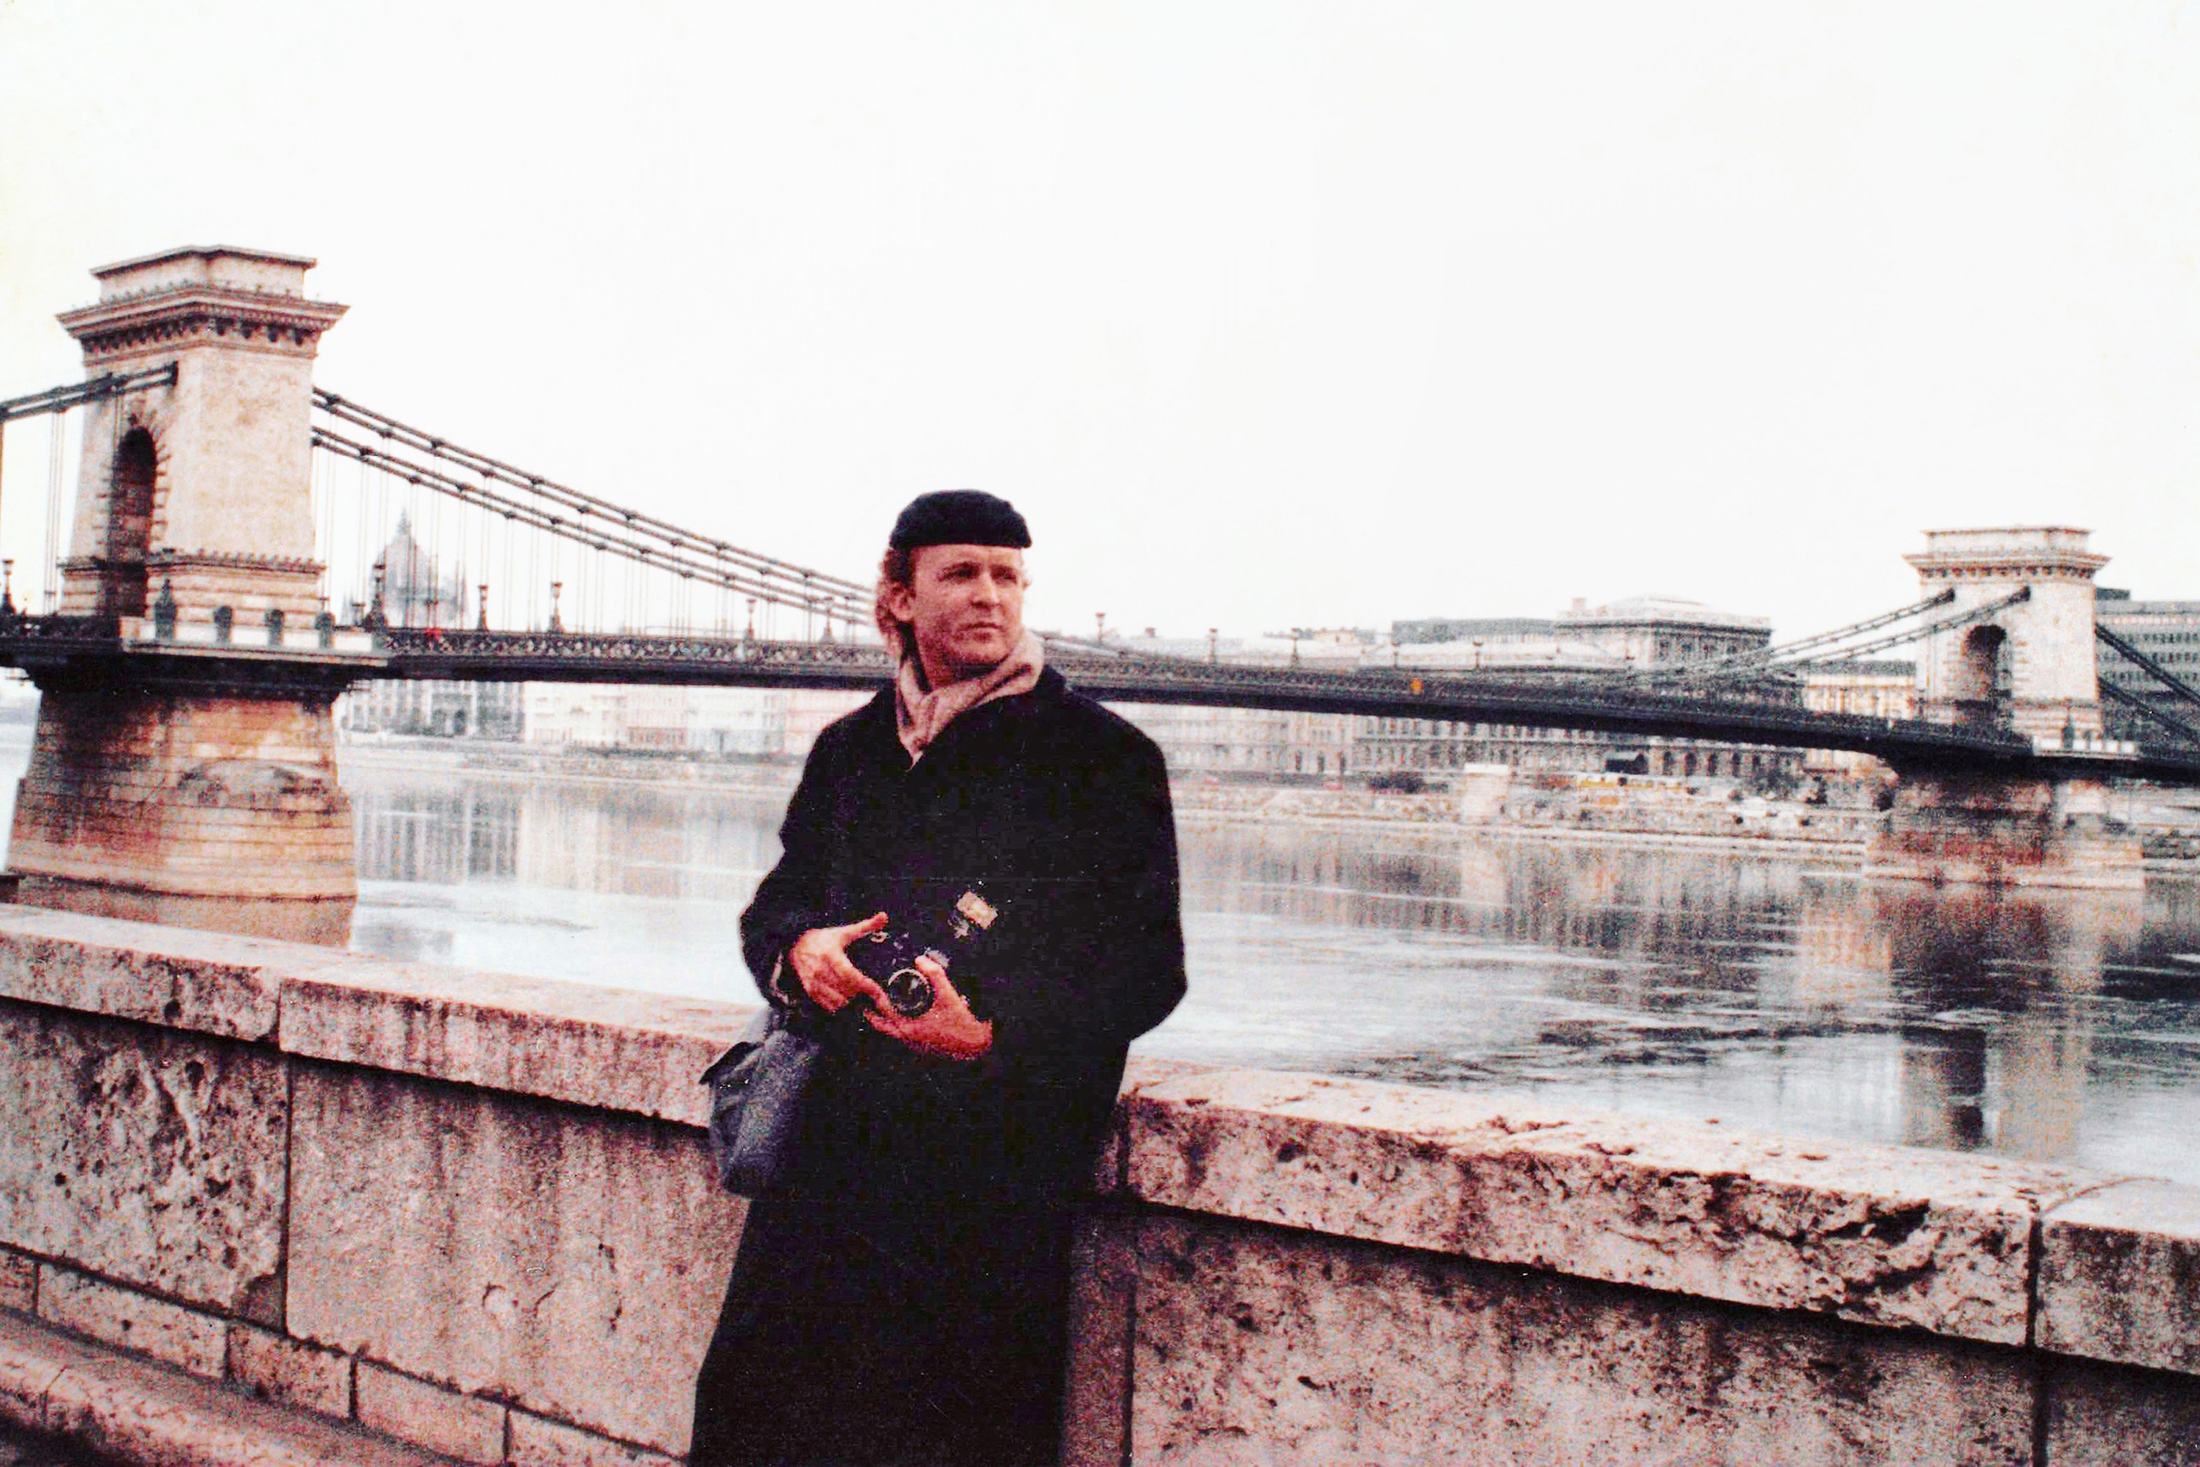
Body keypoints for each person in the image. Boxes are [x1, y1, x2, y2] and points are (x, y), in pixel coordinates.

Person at [689, 490, 1187, 1467]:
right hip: (822, 1167)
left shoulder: (1104, 760)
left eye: (1008, 575)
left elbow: (1145, 974)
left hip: (985, 1182)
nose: (989, 596)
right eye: (960, 573)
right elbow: (774, 910)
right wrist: (801, 955)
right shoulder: (851, 752)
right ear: (898, 599)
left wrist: (992, 1037)